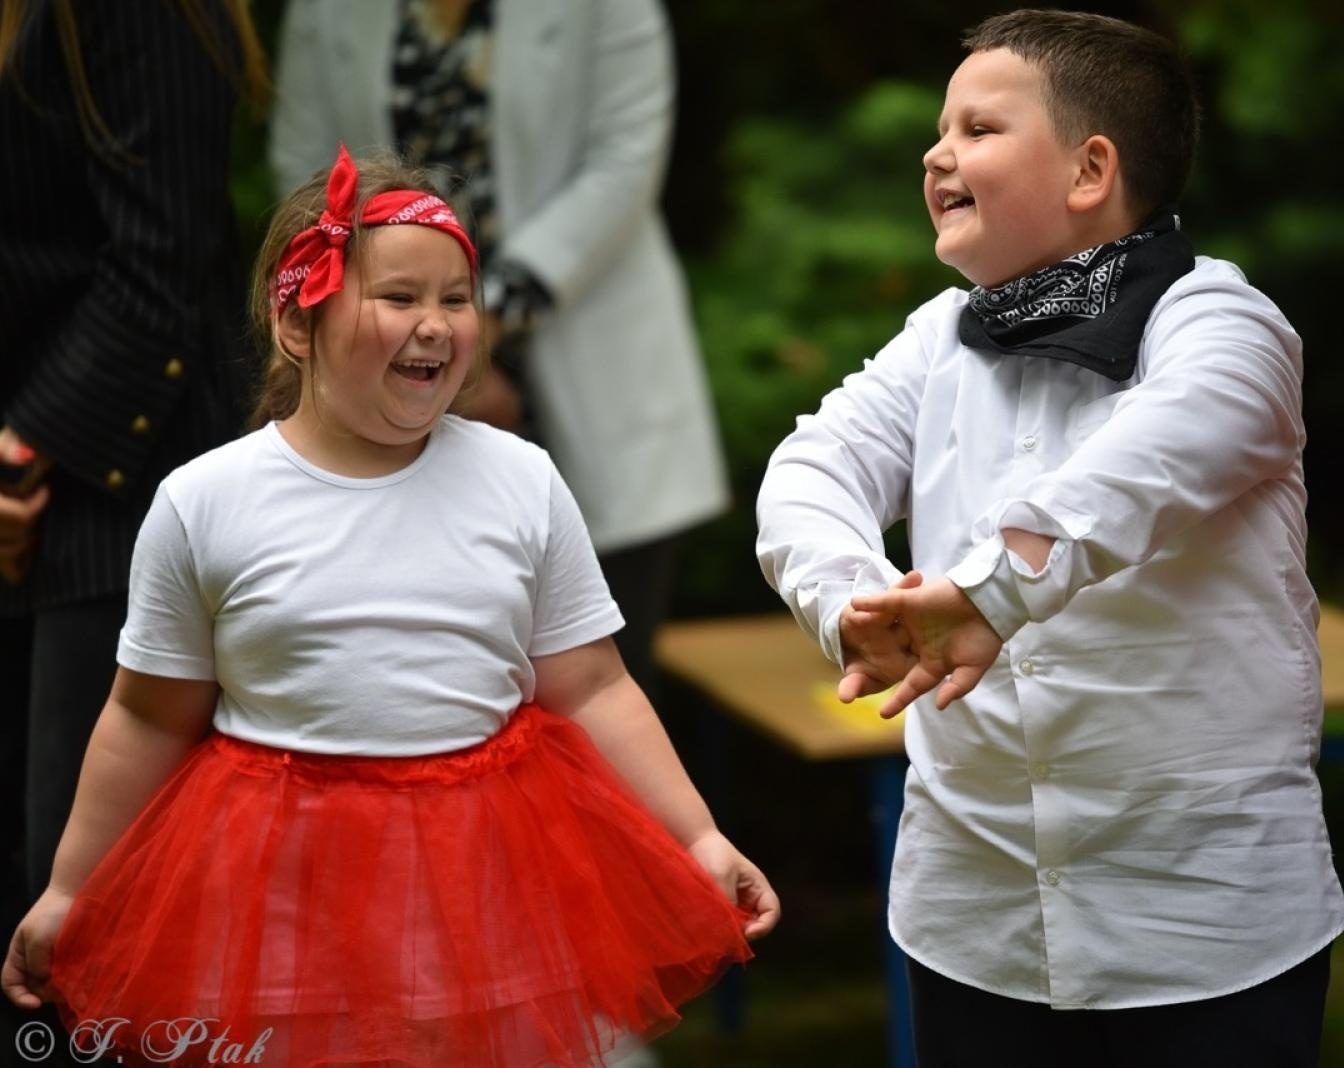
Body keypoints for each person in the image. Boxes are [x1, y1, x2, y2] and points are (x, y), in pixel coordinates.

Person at [2, 147, 777, 1067]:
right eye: (400, 298)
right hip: (279, 899)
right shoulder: (207, 501)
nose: (437, 325)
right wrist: (68, 888)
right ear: (298, 322)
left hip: (481, 887)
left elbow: (594, 686)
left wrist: (694, 835)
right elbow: (146, 715)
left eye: (456, 299)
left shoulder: (519, 480)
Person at [756, 10, 1344, 1066]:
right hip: (972, 921)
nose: (937, 152)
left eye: (978, 128)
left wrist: (990, 591)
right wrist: (854, 599)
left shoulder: (1222, 324)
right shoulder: (939, 336)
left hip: (1202, 931)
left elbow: (1147, 464)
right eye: (938, 129)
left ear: (1089, 170)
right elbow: (812, 467)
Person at [268, 0, 730, 695]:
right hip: (392, 372)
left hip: (587, 364)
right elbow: (305, 172)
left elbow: (623, 164)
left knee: (602, 697)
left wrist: (466, 329)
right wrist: (424, 337)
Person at [0, 0, 266, 1049]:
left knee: (89, 956)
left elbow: (161, 262)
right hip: (30, 488)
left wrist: (17, 462)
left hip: (124, 508)